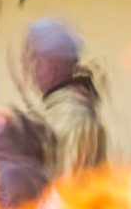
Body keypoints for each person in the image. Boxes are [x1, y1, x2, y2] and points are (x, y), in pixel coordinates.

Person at [22, 20, 106, 176]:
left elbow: (67, 190)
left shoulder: (76, 120)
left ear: (53, 67)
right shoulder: (56, 112)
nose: (29, 69)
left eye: (35, 60)